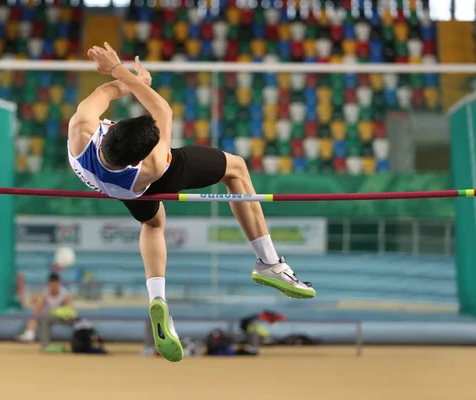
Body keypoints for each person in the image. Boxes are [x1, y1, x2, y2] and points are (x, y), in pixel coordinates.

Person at [67, 42, 316, 362]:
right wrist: (120, 69)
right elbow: (162, 111)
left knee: (153, 222)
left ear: (110, 129)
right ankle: (269, 264)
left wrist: (132, 81)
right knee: (236, 170)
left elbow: (108, 92)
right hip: (145, 182)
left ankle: (158, 300)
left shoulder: (81, 126)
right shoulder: (153, 166)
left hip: (118, 187)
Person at [17, 272, 75, 342]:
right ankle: (30, 333)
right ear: (49, 283)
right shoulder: (44, 293)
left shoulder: (65, 294)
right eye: (51, 282)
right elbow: (38, 306)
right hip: (48, 316)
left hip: (60, 317)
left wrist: (58, 313)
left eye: (55, 282)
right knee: (35, 312)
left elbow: (70, 309)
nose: (53, 285)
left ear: (59, 283)